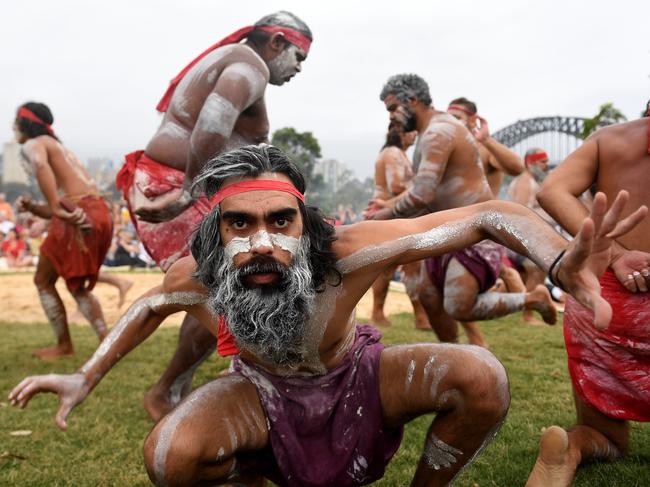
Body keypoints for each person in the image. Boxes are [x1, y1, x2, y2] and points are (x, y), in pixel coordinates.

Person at [9, 145, 644, 486]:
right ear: (217, 234)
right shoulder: (198, 277)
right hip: (259, 394)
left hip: (358, 378)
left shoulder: (346, 254)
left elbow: (482, 215)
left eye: (279, 221)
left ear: (303, 223)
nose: (263, 242)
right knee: (171, 454)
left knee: (482, 375)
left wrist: (558, 260)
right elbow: (147, 308)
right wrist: (84, 377)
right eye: (241, 224)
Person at [115, 11, 313, 419]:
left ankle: (177, 388)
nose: (298, 69)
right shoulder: (248, 68)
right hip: (177, 184)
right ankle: (168, 392)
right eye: (299, 56)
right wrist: (189, 192)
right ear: (277, 41)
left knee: (222, 289)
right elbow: (212, 125)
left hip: (176, 181)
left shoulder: (235, 61)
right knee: (223, 292)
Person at [366, 74, 556, 345]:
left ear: (412, 100)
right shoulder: (428, 133)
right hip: (446, 231)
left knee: (458, 306)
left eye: (393, 109)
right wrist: (389, 205)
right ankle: (454, 356)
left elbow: (423, 194)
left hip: (476, 231)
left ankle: (534, 298)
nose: (392, 118)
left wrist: (384, 216)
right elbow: (427, 188)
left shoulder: (438, 132)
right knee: (429, 298)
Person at [526, 109, 650, 486]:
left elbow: (550, 190)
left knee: (606, 437)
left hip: (606, 300)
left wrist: (614, 254)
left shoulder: (610, 139)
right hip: (609, 300)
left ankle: (573, 448)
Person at [12, 102, 113, 358]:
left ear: (26, 123)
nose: (13, 127)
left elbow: (40, 166)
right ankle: (106, 342)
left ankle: (66, 346)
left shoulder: (35, 144)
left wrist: (55, 207)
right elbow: (64, 204)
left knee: (43, 280)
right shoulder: (59, 148)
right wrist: (37, 207)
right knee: (73, 284)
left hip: (80, 212)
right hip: (97, 212)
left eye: (15, 120)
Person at [369, 123, 430, 329]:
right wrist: (421, 188)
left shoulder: (394, 152)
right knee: (412, 263)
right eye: (412, 131)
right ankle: (420, 316)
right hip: (391, 213)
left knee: (387, 267)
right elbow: (396, 185)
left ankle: (378, 312)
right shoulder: (394, 152)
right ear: (402, 134)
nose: (416, 135)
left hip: (387, 213)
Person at [506, 147, 557, 324]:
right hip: (519, 238)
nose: (546, 165)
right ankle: (527, 316)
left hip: (525, 238)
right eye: (543, 162)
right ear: (531, 163)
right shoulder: (525, 182)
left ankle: (524, 313)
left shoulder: (532, 181)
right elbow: (520, 214)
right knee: (536, 269)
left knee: (532, 273)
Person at [446, 97, 524, 197]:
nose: (450, 122)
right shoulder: (445, 149)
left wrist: (486, 140)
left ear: (472, 120)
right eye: (447, 118)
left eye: (456, 117)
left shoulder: (485, 149)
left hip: (482, 211)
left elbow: (517, 168)